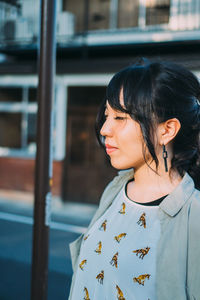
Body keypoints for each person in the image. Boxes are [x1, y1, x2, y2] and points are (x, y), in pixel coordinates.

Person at [68, 59, 200, 300]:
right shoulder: (115, 190)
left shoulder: (194, 218)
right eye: (107, 115)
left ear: (167, 130)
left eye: (120, 118)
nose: (104, 129)